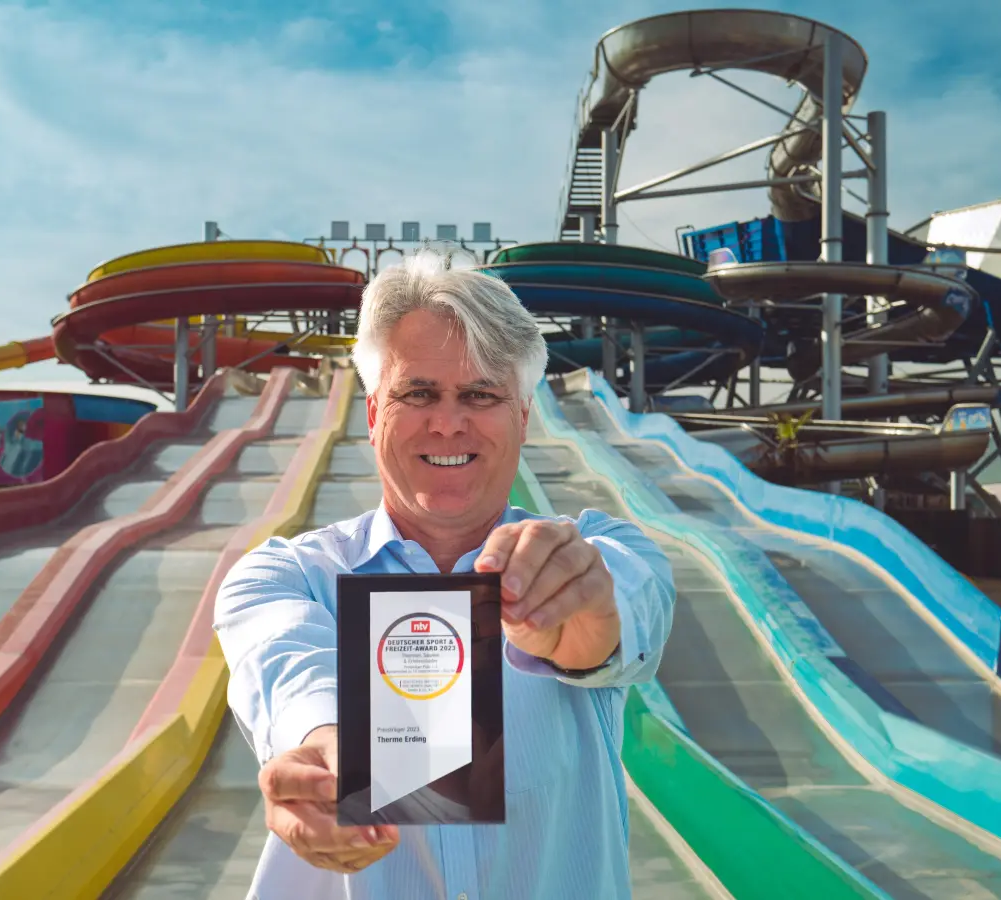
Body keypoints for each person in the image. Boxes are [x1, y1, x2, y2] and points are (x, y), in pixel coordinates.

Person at [213, 253, 676, 900]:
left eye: (481, 394)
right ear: (373, 416)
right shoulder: (284, 575)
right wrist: (325, 750)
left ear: (521, 417)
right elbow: (287, 663)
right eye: (419, 393)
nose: (449, 422)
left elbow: (630, 602)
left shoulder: (600, 552)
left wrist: (588, 623)